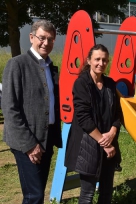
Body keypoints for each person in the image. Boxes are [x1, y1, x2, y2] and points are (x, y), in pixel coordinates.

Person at [1, 20, 62, 203]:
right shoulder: (17, 64)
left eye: (50, 39)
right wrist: (29, 145)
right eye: (42, 38)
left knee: (37, 193)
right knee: (34, 195)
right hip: (26, 141)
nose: (46, 43)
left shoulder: (51, 68)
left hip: (47, 137)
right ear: (31, 37)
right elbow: (10, 108)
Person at [64, 44, 122, 204]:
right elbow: (83, 117)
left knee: (106, 191)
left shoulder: (110, 83)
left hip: (109, 143)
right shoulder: (81, 83)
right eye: (97, 59)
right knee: (87, 193)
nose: (101, 63)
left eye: (104, 60)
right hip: (88, 144)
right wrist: (104, 143)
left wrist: (112, 132)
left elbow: (118, 113)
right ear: (89, 60)